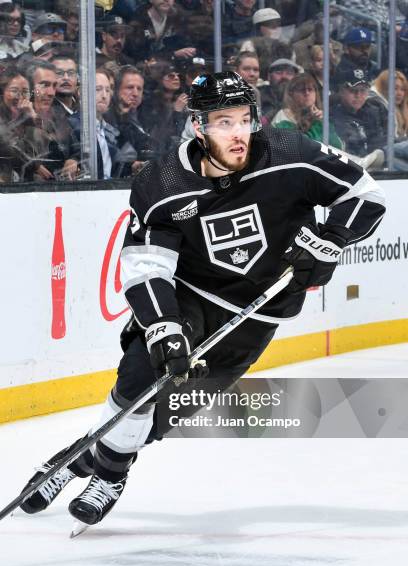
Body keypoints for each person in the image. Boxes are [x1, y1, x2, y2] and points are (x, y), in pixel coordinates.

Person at [19, 71, 385, 527]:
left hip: (257, 315)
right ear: (198, 126)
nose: (238, 133)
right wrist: (163, 326)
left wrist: (328, 239)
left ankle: (77, 460)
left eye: (245, 119)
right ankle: (111, 476)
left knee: (161, 416)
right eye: (224, 122)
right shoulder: (163, 182)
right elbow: (146, 265)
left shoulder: (291, 153)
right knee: (142, 375)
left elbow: (365, 194)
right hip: (188, 296)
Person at [272, 73, 343, 149]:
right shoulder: (283, 115)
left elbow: (338, 146)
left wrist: (323, 122)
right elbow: (298, 146)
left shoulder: (321, 116)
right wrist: (316, 124)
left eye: (310, 89)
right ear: (291, 94)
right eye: (302, 90)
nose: (307, 93)